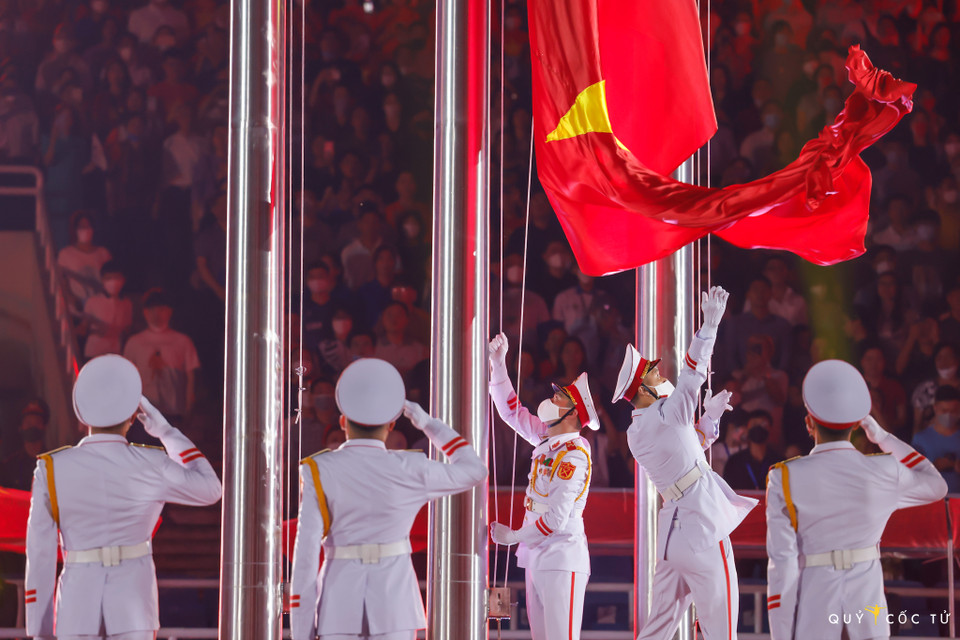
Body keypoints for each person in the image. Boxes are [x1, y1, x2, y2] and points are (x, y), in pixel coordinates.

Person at [25, 354, 221, 640]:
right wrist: (165, 431)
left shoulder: (52, 468)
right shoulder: (152, 463)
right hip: (134, 603)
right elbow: (211, 489)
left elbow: (40, 554)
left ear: (81, 415)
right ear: (134, 414)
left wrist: (39, 631)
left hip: (77, 604)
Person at [289, 358, 486, 640]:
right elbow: (474, 470)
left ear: (343, 422)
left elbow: (305, 555)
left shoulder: (319, 469)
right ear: (392, 425)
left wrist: (301, 630)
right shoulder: (411, 468)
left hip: (338, 603)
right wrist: (429, 425)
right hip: (396, 604)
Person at [766, 359, 947, 640]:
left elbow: (782, 565)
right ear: (855, 426)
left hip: (816, 606)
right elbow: (937, 485)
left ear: (808, 423)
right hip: (867, 605)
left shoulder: (785, 476)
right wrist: (884, 438)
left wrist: (781, 632)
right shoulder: (885, 469)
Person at [616, 286, 757, 640]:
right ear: (644, 390)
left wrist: (710, 420)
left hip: (671, 535)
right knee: (723, 629)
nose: (660, 375)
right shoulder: (666, 413)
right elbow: (691, 377)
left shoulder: (638, 431)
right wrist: (709, 326)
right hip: (701, 525)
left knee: (656, 631)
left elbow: (685, 449)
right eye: (652, 374)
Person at [487, 331, 599, 640]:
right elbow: (511, 411)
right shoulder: (548, 439)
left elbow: (556, 518)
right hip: (537, 553)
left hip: (562, 555)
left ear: (573, 413)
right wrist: (499, 366)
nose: (551, 399)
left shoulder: (573, 454)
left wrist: (514, 536)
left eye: (559, 397)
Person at [123, 288, 201, 420]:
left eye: (161, 309)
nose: (156, 314)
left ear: (169, 311)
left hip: (174, 409)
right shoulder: (134, 342)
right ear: (145, 312)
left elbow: (191, 375)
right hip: (143, 411)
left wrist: (189, 402)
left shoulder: (182, 341)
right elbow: (126, 376)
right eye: (152, 310)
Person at [81, 260, 133, 359]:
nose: (113, 282)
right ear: (102, 280)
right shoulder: (93, 301)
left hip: (115, 351)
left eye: (116, 278)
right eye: (108, 278)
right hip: (94, 351)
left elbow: (127, 329)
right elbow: (84, 327)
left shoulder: (126, 303)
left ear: (123, 280)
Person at [1, 399, 51, 491]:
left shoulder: (54, 462)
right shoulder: (9, 467)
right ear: (20, 428)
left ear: (44, 427)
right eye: (28, 423)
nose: (33, 427)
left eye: (37, 423)